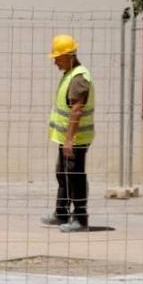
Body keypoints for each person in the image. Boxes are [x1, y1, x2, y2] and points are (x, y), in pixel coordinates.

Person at [41, 33, 94, 233]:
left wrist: (70, 140)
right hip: (67, 137)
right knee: (63, 173)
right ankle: (61, 212)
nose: (55, 61)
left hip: (76, 138)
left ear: (70, 55)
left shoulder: (79, 78)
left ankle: (80, 218)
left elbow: (77, 110)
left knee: (74, 175)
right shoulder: (70, 74)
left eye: (58, 57)